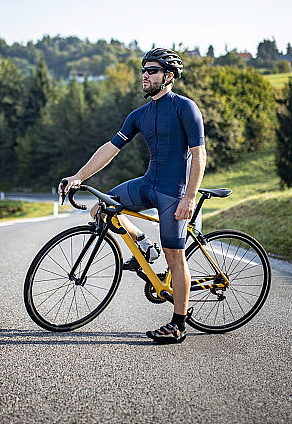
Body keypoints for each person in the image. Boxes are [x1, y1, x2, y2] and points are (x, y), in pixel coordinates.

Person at [59, 47, 206, 344]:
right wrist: (78, 177)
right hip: (149, 182)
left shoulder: (185, 107)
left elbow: (199, 154)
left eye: (151, 71)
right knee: (101, 209)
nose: (145, 76)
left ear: (169, 75)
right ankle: (143, 244)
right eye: (143, 70)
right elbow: (110, 148)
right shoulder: (139, 115)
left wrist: (189, 197)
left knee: (174, 256)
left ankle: (178, 324)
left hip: (174, 191)